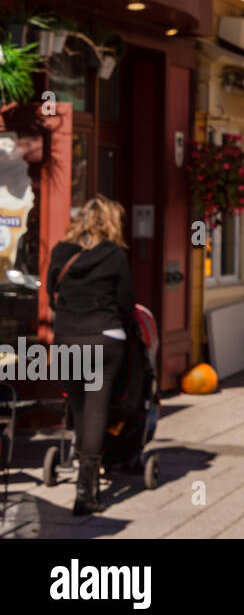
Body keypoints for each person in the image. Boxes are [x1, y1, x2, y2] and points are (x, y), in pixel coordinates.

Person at [47, 195, 135, 515]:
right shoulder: (114, 255)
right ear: (111, 221)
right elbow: (126, 303)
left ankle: (86, 483)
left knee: (81, 410)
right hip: (104, 337)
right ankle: (86, 492)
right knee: (97, 410)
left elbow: (51, 297)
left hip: (68, 337)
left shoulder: (60, 251)